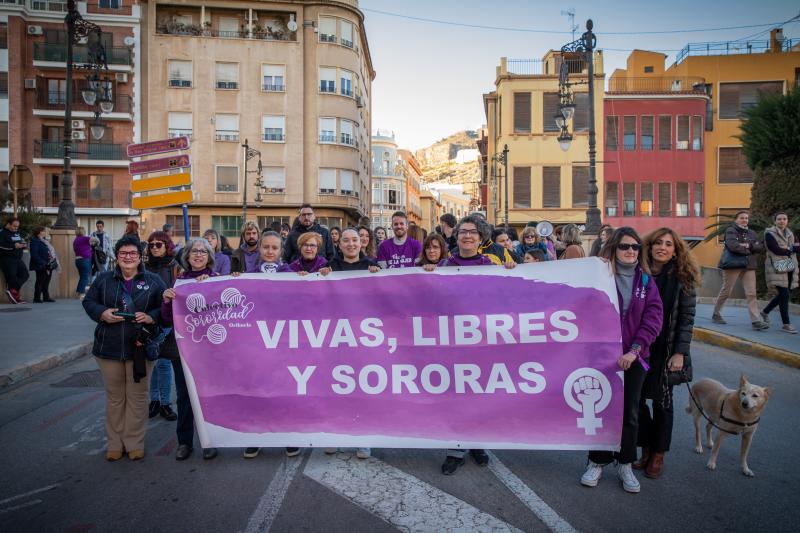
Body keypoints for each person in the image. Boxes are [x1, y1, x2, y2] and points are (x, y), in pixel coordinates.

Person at [423, 214, 514, 474]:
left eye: (472, 232)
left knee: (480, 394)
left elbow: (506, 297)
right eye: (463, 231)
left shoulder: (492, 264)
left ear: (481, 236)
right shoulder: (444, 266)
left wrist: (510, 274)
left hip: (482, 343)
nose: (467, 236)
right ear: (456, 235)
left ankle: (477, 443)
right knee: (454, 395)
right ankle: (455, 449)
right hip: (452, 344)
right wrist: (428, 275)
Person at [581, 227, 663, 494]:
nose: (630, 251)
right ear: (614, 248)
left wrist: (635, 350)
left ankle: (625, 462)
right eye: (624, 246)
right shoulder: (598, 276)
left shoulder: (647, 282)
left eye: (635, 247)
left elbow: (653, 319)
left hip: (634, 358)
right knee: (601, 409)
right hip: (601, 357)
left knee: (630, 413)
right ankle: (597, 461)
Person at [82, 236, 166, 461]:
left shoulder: (154, 281)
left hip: (141, 348)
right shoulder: (104, 279)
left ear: (140, 257)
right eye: (123, 254)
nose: (128, 257)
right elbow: (88, 302)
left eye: (132, 253)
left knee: (138, 398)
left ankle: (134, 442)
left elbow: (165, 309)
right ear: (117, 257)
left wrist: (151, 316)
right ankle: (115, 444)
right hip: (109, 348)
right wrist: (102, 313)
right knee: (115, 398)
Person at [636, 227, 699, 479]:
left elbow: (687, 319)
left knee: (663, 403)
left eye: (669, 244)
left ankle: (659, 454)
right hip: (641, 346)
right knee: (637, 401)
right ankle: (645, 447)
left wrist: (680, 353)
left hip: (667, 349)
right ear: (649, 246)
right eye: (658, 243)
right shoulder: (638, 273)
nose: (662, 247)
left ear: (676, 250)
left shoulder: (684, 278)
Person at [161, 237, 219, 461]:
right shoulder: (179, 283)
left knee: (208, 397)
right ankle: (184, 442)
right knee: (184, 397)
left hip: (212, 352)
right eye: (194, 251)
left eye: (203, 252)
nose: (198, 255)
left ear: (209, 257)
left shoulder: (217, 280)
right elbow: (167, 320)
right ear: (186, 257)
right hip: (184, 350)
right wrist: (167, 301)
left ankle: (209, 441)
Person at [242, 231, 299, 460]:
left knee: (285, 389)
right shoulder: (249, 275)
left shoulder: (291, 274)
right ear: (260, 249)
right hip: (258, 342)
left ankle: (288, 437)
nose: (270, 252)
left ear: (281, 251)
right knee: (258, 389)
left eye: (275, 248)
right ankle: (257, 437)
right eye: (266, 247)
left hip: (284, 341)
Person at [144, 231, 179, 422]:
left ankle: (165, 404)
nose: (155, 248)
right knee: (152, 363)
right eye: (151, 245)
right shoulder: (143, 267)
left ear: (167, 246)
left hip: (166, 320)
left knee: (164, 364)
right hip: (147, 321)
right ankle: (154, 401)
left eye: (159, 244)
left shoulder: (174, 267)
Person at [712, 211, 766, 330]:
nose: (744, 220)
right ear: (736, 219)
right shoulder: (731, 231)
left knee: (751, 293)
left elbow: (760, 247)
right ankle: (716, 313)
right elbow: (733, 246)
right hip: (733, 264)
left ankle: (756, 320)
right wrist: (749, 248)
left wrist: (748, 246)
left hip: (749, 265)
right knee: (727, 290)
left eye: (746, 218)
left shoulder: (752, 233)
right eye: (742, 218)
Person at [761, 212, 799, 334]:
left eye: (784, 219)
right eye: (779, 219)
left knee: (784, 294)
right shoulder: (769, 234)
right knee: (785, 294)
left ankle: (765, 312)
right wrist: (790, 249)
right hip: (775, 266)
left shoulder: (790, 233)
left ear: (787, 220)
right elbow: (775, 249)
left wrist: (789, 249)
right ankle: (786, 324)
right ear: (775, 221)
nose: (782, 221)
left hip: (789, 265)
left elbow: (798, 247)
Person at [1, 216, 30, 304]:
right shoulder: (2, 233)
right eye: (14, 226)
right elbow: (1, 245)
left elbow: (21, 241)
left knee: (25, 275)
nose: (16, 228)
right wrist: (14, 246)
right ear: (8, 224)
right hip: (7, 259)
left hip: (18, 258)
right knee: (12, 277)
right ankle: (14, 295)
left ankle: (12, 290)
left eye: (17, 227)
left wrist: (23, 244)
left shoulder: (17, 233)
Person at [29, 226, 55, 303]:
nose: (45, 232)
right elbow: (34, 255)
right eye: (43, 231)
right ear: (39, 232)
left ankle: (46, 297)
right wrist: (43, 263)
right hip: (41, 265)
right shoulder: (34, 241)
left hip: (48, 264)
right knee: (40, 281)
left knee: (46, 281)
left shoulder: (44, 240)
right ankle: (36, 298)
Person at [73, 227, 93, 299]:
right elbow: (95, 239)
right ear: (83, 232)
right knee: (84, 277)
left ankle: (79, 292)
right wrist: (97, 242)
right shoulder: (85, 238)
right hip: (85, 260)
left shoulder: (75, 240)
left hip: (77, 260)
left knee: (82, 277)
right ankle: (81, 294)